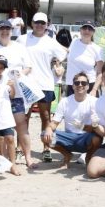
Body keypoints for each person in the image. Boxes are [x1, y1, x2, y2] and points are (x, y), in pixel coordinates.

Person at [17, 12, 68, 163]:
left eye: (42, 23)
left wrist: (56, 63)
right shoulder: (22, 39)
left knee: (45, 117)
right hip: (26, 84)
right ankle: (20, 148)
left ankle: (46, 148)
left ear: (47, 25)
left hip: (45, 83)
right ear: (31, 23)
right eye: (37, 22)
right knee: (23, 118)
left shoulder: (51, 41)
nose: (39, 25)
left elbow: (65, 53)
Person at [0, 20, 35, 168]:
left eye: (7, 29)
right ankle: (1, 159)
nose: (4, 32)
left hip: (16, 93)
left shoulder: (19, 47)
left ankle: (28, 158)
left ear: (12, 31)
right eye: (2, 29)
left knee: (21, 125)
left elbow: (28, 67)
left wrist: (17, 76)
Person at [41, 72, 102, 168]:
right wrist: (49, 129)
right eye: (77, 83)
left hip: (86, 137)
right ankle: (67, 155)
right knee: (44, 135)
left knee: (97, 138)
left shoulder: (95, 102)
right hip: (69, 137)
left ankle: (89, 156)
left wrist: (82, 126)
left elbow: (97, 128)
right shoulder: (65, 101)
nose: (80, 85)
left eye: (83, 83)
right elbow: (55, 122)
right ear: (73, 86)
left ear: (87, 86)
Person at [65, 20, 103, 97]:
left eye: (90, 29)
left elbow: (100, 72)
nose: (87, 31)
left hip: (89, 86)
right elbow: (66, 52)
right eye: (84, 28)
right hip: (72, 85)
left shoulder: (97, 49)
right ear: (80, 30)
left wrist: (94, 90)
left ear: (93, 32)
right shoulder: (74, 42)